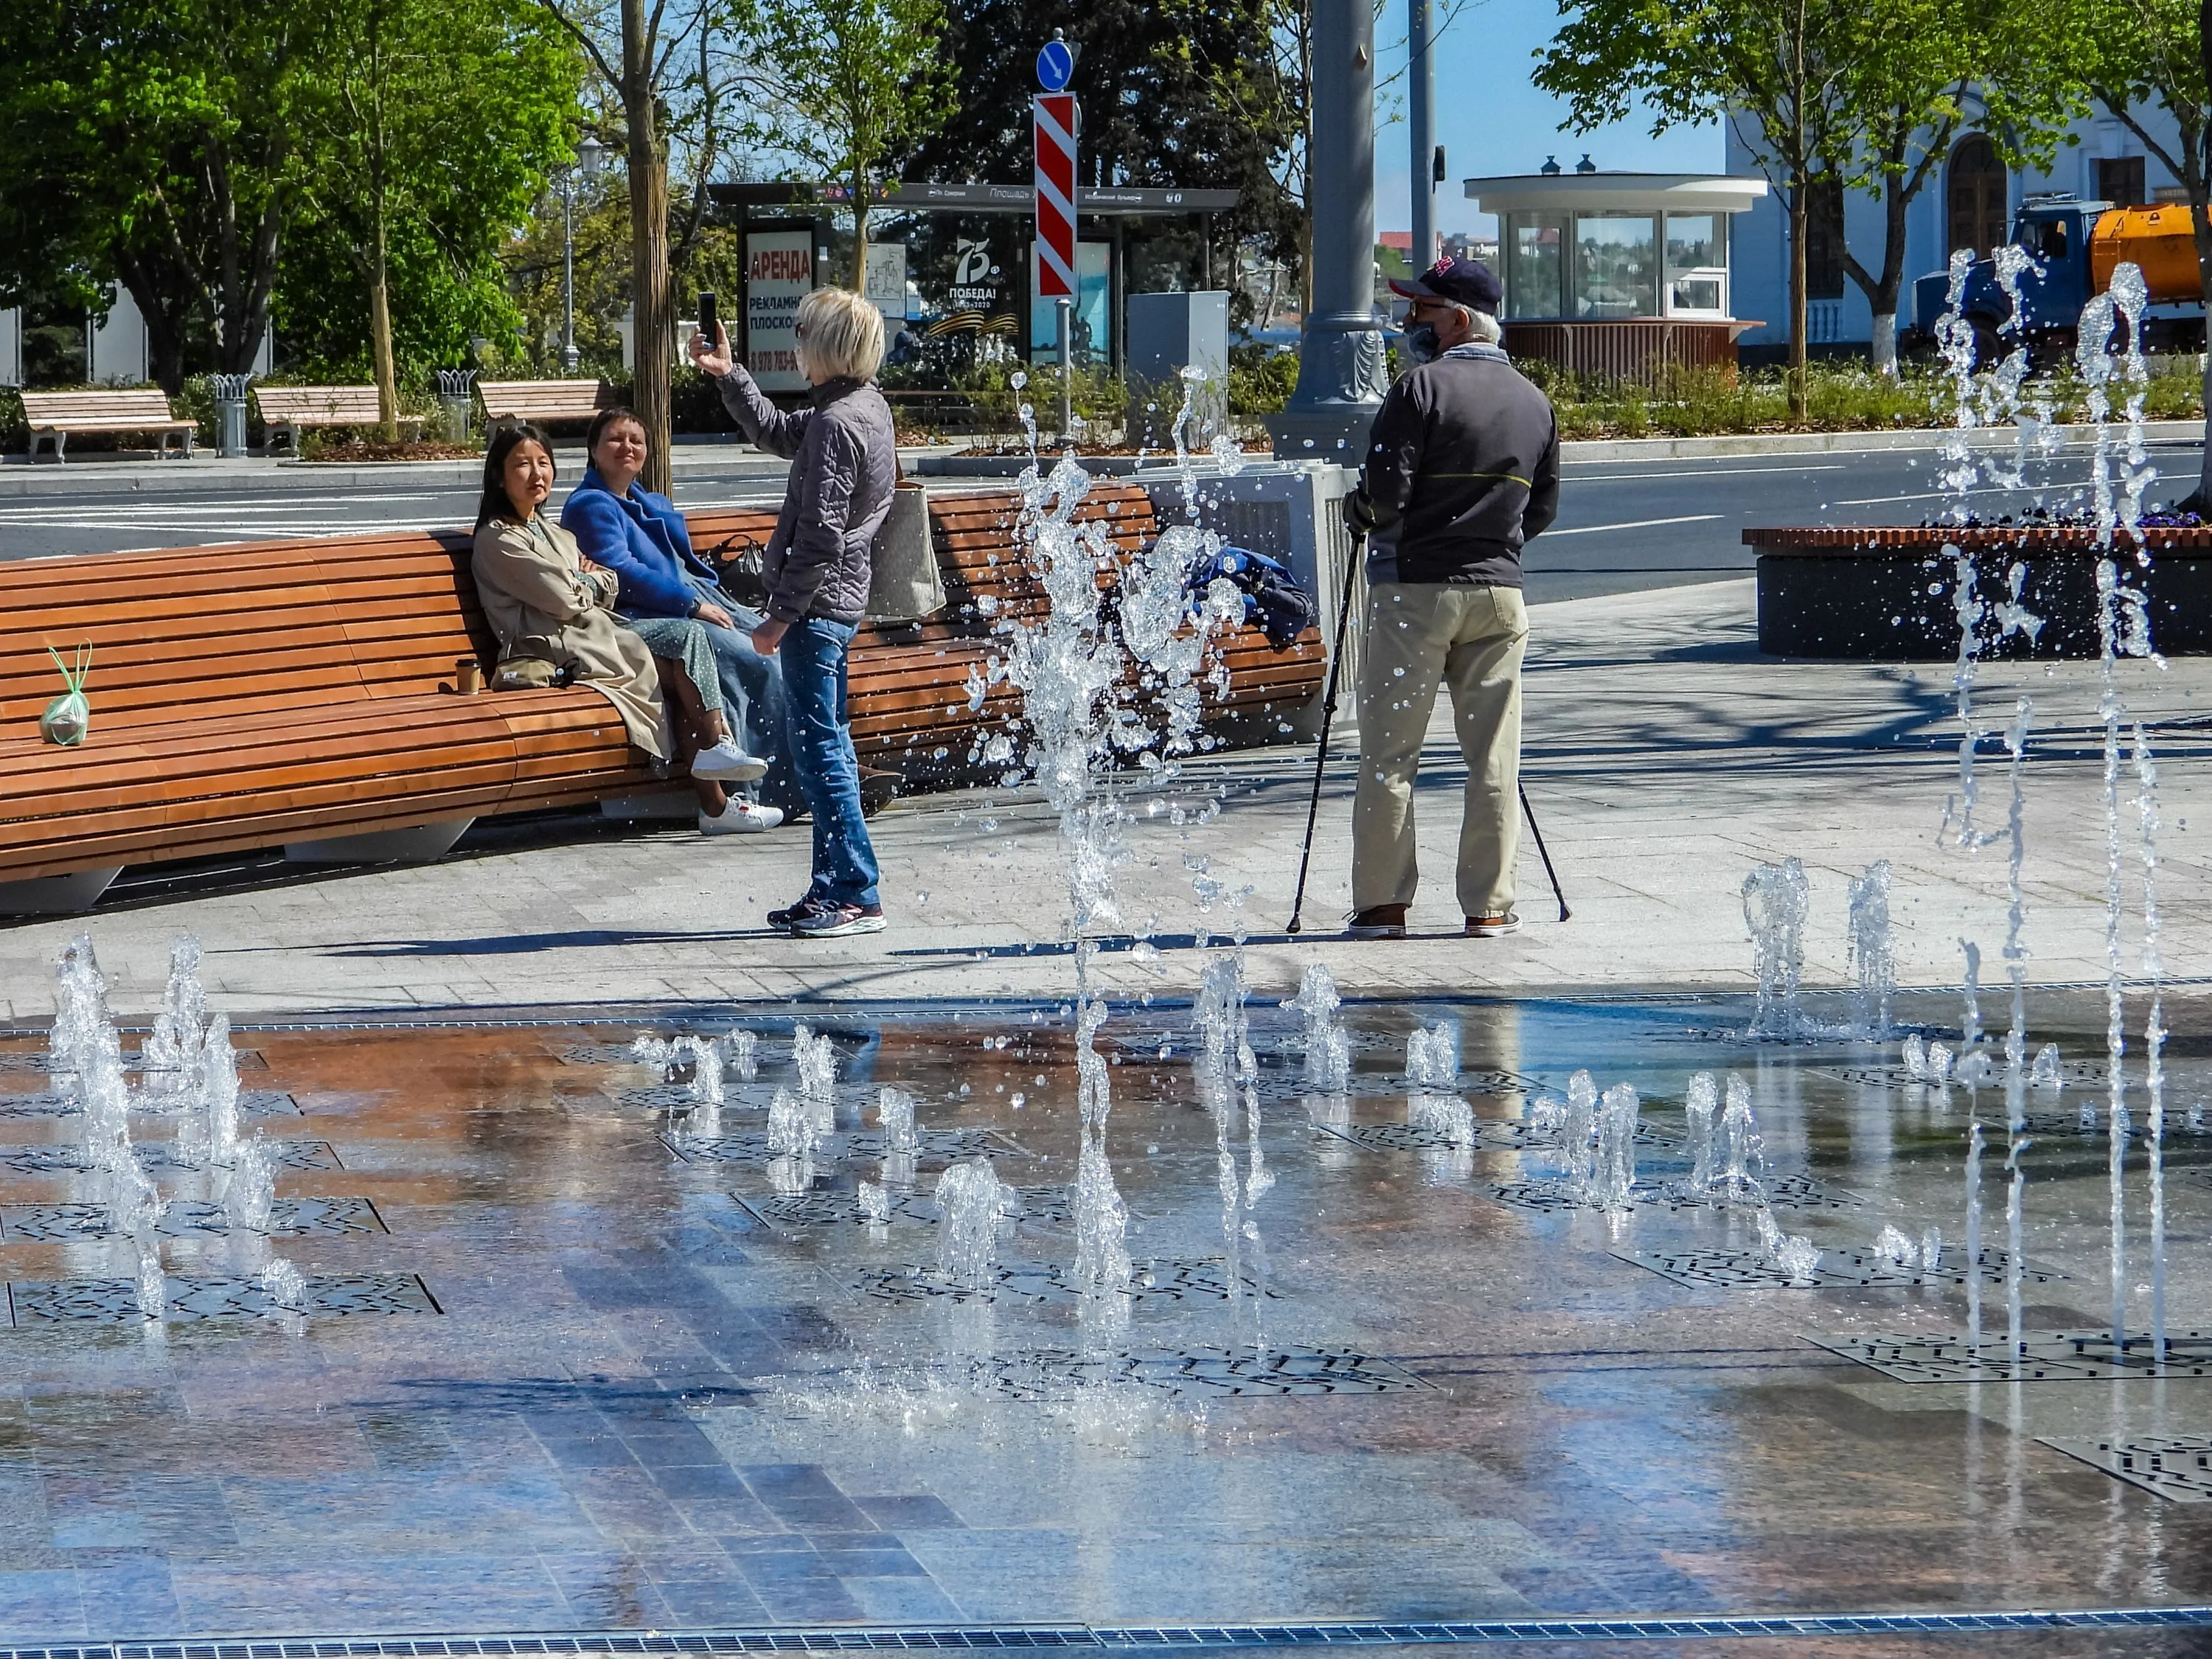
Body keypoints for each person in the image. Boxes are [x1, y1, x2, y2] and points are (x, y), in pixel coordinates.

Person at [1340, 255, 1560, 940]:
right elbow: (1543, 509)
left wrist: (1359, 512)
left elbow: (1384, 497)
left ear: (1459, 319)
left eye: (1423, 311)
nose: (1412, 323)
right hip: (1500, 595)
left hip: (1415, 594)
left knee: (1389, 753)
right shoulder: (1535, 401)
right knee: (1494, 755)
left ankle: (1383, 905)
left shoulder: (1418, 390)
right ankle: (1490, 908)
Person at [689, 286, 897, 938]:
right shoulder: (860, 408)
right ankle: (830, 887)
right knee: (823, 746)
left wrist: (779, 616)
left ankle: (856, 893)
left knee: (822, 754)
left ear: (829, 345)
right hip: (836, 602)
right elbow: (777, 431)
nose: (795, 345)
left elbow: (820, 536)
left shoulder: (839, 424)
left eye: (803, 334)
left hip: (817, 607)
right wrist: (731, 377)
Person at [470, 423, 765, 832]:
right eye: (522, 464)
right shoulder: (498, 539)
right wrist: (584, 580)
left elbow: (605, 583)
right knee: (685, 645)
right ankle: (718, 777)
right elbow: (565, 596)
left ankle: (717, 795)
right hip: (554, 649)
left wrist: (583, 580)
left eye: (543, 463)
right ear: (499, 477)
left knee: (684, 658)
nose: (537, 473)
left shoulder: (552, 532)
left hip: (594, 633)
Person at [560, 406, 787, 833]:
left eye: (637, 440)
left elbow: (687, 564)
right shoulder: (590, 506)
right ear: (593, 449)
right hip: (650, 617)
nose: (627, 446)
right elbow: (621, 572)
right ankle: (767, 791)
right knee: (755, 659)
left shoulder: (648, 501)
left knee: (783, 652)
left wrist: (709, 597)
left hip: (698, 603)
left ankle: (819, 773)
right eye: (615, 438)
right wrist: (691, 604)